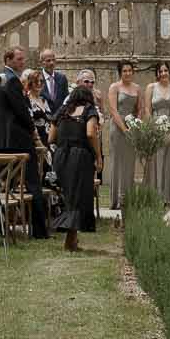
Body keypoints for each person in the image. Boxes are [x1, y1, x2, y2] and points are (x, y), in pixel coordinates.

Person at [0, 50, 49, 238]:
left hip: (2, 138)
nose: (22, 62)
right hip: (18, 139)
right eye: (19, 59)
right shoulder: (11, 80)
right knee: (32, 183)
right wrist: (33, 132)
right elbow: (21, 111)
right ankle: (39, 230)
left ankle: (0, 227)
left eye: (23, 59)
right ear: (8, 60)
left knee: (4, 186)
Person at [52, 85, 103, 252]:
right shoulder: (90, 110)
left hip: (60, 156)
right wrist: (98, 156)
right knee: (78, 197)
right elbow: (90, 133)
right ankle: (70, 241)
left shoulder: (63, 110)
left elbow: (51, 137)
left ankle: (72, 240)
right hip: (79, 157)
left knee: (68, 197)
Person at [142, 61, 170, 203]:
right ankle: (154, 197)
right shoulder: (151, 87)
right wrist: (153, 127)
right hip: (155, 126)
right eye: (161, 71)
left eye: (166, 70)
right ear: (157, 74)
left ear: (169, 72)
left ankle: (167, 198)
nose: (163, 73)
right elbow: (147, 110)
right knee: (154, 161)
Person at [107, 60, 142, 210]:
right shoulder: (114, 87)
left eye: (130, 71)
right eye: (124, 71)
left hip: (132, 127)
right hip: (118, 127)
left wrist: (135, 125)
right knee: (117, 161)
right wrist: (124, 128)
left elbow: (140, 109)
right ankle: (117, 199)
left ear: (133, 72)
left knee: (129, 162)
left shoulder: (138, 88)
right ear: (120, 73)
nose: (127, 73)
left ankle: (128, 198)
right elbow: (113, 110)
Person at [38, 49, 69, 119]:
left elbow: (66, 99)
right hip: (43, 120)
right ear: (41, 62)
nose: (52, 63)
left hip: (60, 120)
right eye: (48, 60)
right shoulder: (37, 78)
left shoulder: (62, 78)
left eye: (53, 60)